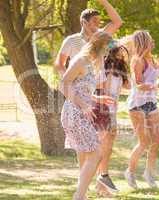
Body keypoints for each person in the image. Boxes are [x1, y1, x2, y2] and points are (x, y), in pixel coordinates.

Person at [60, 32, 115, 200]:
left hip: (83, 112)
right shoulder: (81, 60)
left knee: (90, 154)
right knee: (96, 153)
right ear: (99, 47)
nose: (106, 55)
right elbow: (63, 84)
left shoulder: (91, 64)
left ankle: (81, 195)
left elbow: (81, 89)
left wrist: (97, 98)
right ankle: (79, 196)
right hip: (74, 113)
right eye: (106, 51)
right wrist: (84, 106)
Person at [124, 30, 159, 189]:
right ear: (144, 43)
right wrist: (154, 86)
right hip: (137, 105)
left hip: (151, 103)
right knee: (144, 141)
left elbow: (152, 76)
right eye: (150, 40)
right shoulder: (138, 61)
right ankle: (130, 172)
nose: (153, 42)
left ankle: (149, 173)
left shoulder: (152, 59)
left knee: (156, 140)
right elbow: (139, 85)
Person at [94, 45, 131, 197]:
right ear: (112, 54)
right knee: (102, 147)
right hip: (103, 110)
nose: (122, 57)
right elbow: (98, 87)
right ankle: (101, 184)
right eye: (119, 54)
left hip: (112, 111)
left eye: (123, 55)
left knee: (107, 148)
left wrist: (124, 71)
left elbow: (129, 86)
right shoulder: (104, 69)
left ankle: (101, 181)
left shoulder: (119, 72)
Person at [55, 0, 122, 77]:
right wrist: (70, 81)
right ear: (84, 22)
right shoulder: (70, 40)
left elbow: (117, 22)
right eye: (95, 20)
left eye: (99, 21)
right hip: (80, 87)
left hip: (100, 87)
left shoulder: (101, 36)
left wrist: (103, 1)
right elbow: (59, 64)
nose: (98, 23)